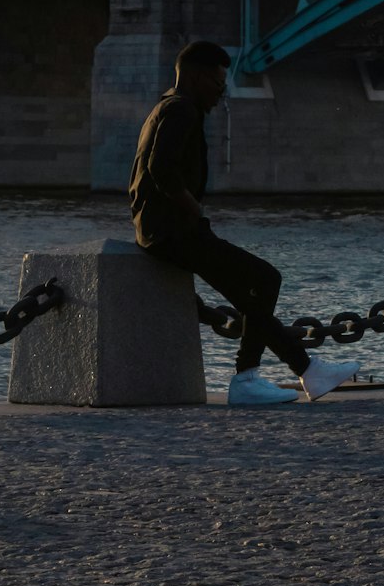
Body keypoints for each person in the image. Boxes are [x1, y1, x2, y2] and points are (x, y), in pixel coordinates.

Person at [129, 40, 363, 406]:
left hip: (163, 230)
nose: (221, 90)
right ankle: (247, 379)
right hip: (173, 231)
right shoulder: (182, 110)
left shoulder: (166, 106)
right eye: (217, 81)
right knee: (265, 279)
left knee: (246, 296)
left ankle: (308, 371)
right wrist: (195, 209)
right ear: (193, 77)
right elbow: (161, 170)